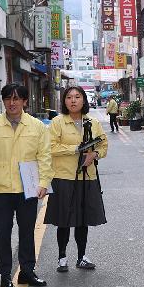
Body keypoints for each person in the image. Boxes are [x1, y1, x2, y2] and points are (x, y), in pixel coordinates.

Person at [0, 83, 53, 287]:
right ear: (3, 101)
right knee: (3, 233)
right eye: (8, 98)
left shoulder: (37, 126)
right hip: (1, 190)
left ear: (25, 101)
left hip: (28, 189)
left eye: (17, 98)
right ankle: (5, 276)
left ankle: (27, 272)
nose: (12, 102)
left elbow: (45, 156)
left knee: (27, 232)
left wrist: (44, 182)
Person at [45, 86, 108, 272]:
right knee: (63, 219)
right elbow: (51, 148)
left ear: (83, 100)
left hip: (87, 178)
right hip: (63, 177)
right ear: (64, 101)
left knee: (82, 219)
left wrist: (94, 154)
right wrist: (75, 150)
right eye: (69, 97)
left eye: (77, 96)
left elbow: (104, 144)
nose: (73, 100)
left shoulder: (93, 122)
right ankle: (62, 257)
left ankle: (82, 257)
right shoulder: (57, 122)